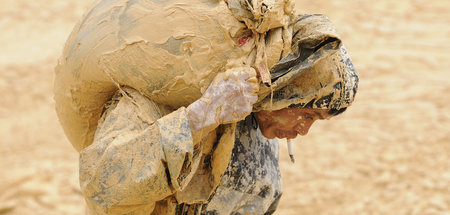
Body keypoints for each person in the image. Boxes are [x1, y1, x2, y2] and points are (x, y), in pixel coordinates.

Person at [54, 1, 358, 214]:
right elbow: (105, 191)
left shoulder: (253, 119)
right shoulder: (155, 98)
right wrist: (200, 118)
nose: (303, 130)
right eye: (307, 114)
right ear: (286, 89)